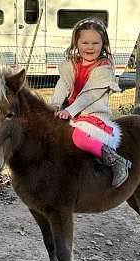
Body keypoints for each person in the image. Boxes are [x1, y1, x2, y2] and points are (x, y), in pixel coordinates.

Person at [49, 18, 131, 188]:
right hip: (71, 114)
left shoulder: (104, 68)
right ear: (76, 43)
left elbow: (91, 95)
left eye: (95, 42)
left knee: (79, 137)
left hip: (92, 116)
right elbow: (62, 85)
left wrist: (70, 111)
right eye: (85, 42)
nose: (90, 47)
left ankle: (116, 160)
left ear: (103, 44)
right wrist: (55, 104)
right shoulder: (70, 66)